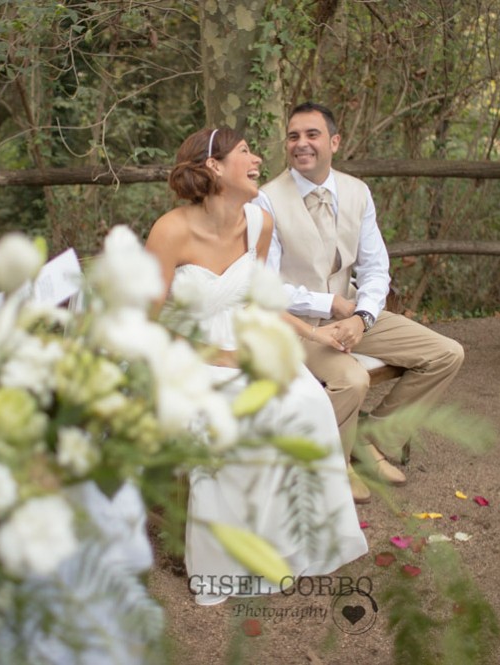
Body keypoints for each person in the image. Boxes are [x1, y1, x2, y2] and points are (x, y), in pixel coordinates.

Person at [144, 127, 368, 606]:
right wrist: (217, 356)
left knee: (307, 404)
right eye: (245, 151)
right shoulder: (171, 230)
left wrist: (312, 334)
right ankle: (230, 558)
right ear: (214, 166)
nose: (257, 158)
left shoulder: (258, 223)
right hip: (185, 352)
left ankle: (293, 545)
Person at [255, 102, 465, 504]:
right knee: (352, 378)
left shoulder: (356, 191)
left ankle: (371, 440)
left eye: (312, 134)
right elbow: (263, 287)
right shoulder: (267, 200)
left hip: (351, 313)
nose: (301, 144)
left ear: (334, 141)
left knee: (446, 353)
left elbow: (375, 266)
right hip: (296, 326)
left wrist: (364, 317)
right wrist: (327, 304)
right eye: (294, 136)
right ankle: (335, 462)